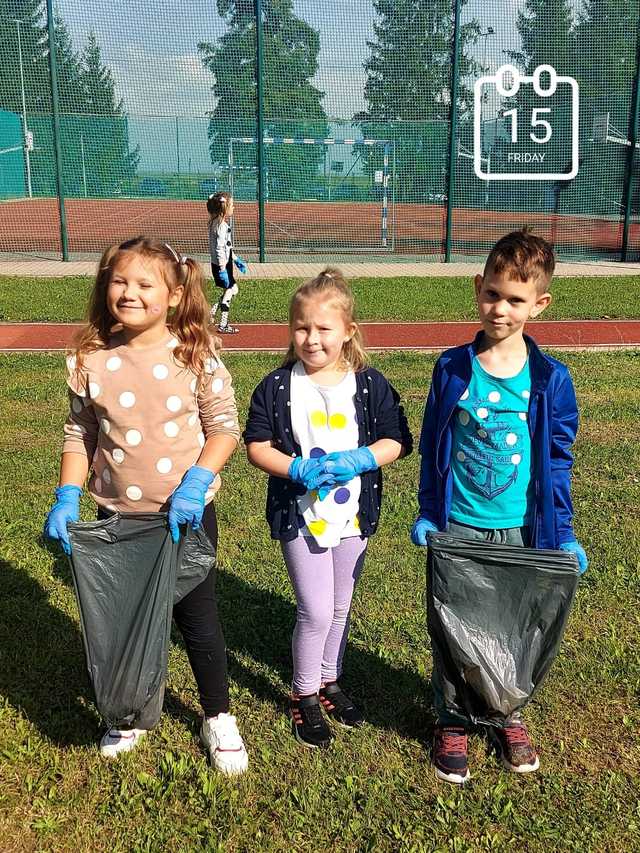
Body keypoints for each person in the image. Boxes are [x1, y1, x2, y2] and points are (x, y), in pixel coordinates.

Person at [44, 237, 248, 774]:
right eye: (118, 281)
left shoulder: (195, 355)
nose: (128, 293)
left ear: (175, 295)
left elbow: (223, 428)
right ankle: (126, 710)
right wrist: (68, 494)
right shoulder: (92, 359)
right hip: (119, 517)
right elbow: (78, 433)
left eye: (143, 284)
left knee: (196, 615)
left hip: (184, 515)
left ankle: (217, 714)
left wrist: (198, 479)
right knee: (123, 618)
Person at [411, 228, 588, 785]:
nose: (501, 308)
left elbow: (557, 461)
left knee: (513, 626)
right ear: (477, 289)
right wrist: (431, 512)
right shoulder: (453, 369)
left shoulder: (551, 380)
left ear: (540, 304)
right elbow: (434, 445)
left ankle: (507, 713)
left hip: (521, 529)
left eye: (515, 299)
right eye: (492, 294)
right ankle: (454, 721)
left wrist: (559, 533)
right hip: (461, 524)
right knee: (453, 626)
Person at [244, 268, 412, 749]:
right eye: (302, 327)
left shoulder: (369, 384)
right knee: (315, 611)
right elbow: (257, 445)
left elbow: (396, 439)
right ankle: (303, 694)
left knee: (340, 607)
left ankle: (329, 680)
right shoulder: (278, 386)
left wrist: (363, 458)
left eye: (323, 329)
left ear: (347, 333)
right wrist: (294, 469)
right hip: (301, 514)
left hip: (353, 513)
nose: (311, 339)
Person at [207, 192, 247, 334]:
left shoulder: (214, 224)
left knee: (229, 290)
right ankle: (223, 324)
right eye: (231, 205)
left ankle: (211, 313)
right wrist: (223, 268)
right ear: (224, 209)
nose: (234, 208)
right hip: (221, 265)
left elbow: (226, 247)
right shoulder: (221, 227)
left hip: (220, 263)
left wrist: (236, 260)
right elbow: (219, 248)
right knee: (232, 290)